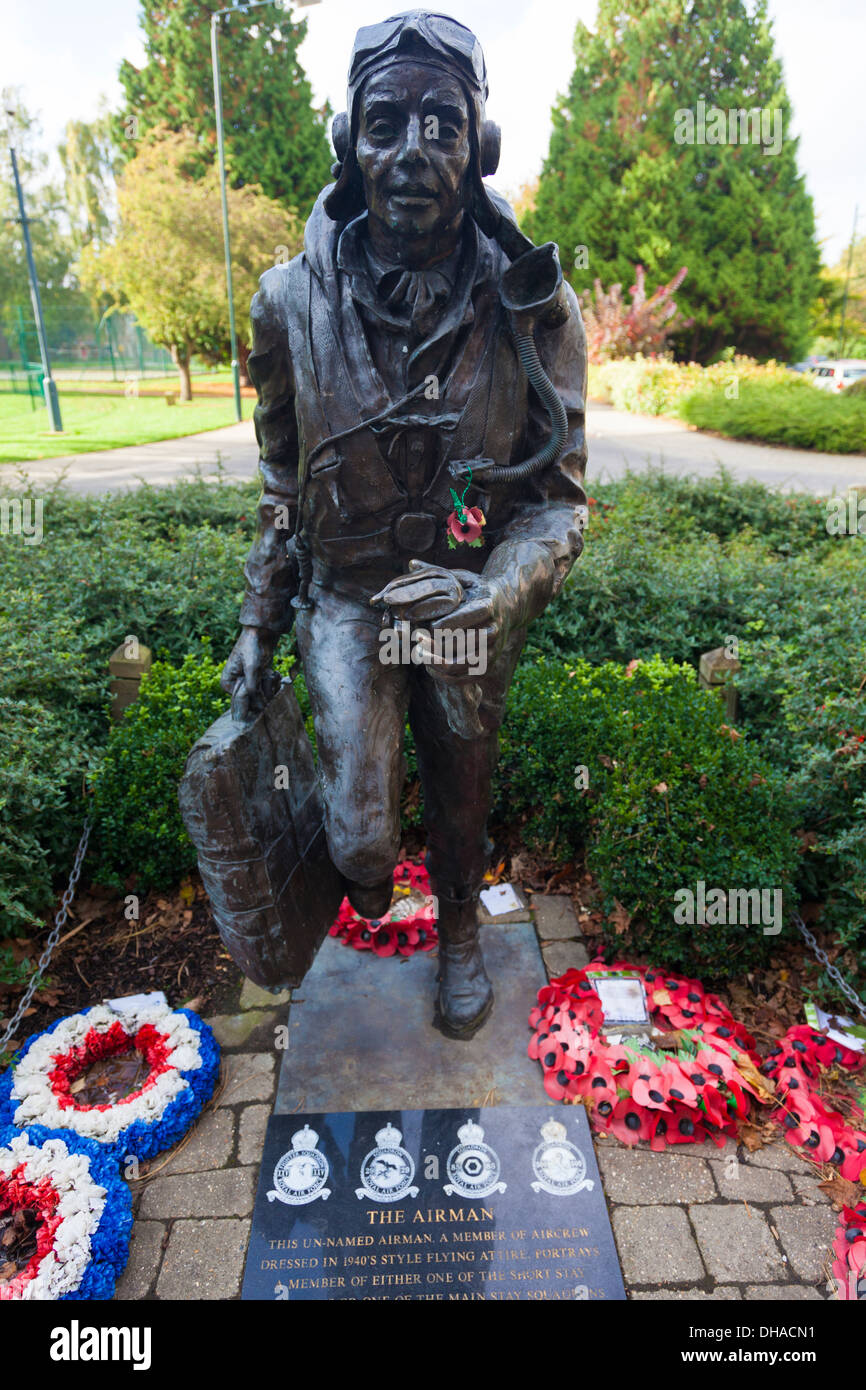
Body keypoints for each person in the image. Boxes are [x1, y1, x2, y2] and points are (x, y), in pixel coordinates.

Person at [221, 10, 588, 1038]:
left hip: (466, 601)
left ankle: (462, 932)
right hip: (345, 595)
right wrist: (258, 619)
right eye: (387, 123)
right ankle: (373, 874)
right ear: (350, 144)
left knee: (461, 791)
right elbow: (280, 475)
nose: (414, 154)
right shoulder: (283, 305)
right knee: (363, 850)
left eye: (442, 125)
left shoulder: (538, 310)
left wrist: (494, 591)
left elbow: (558, 496)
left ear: (479, 149)